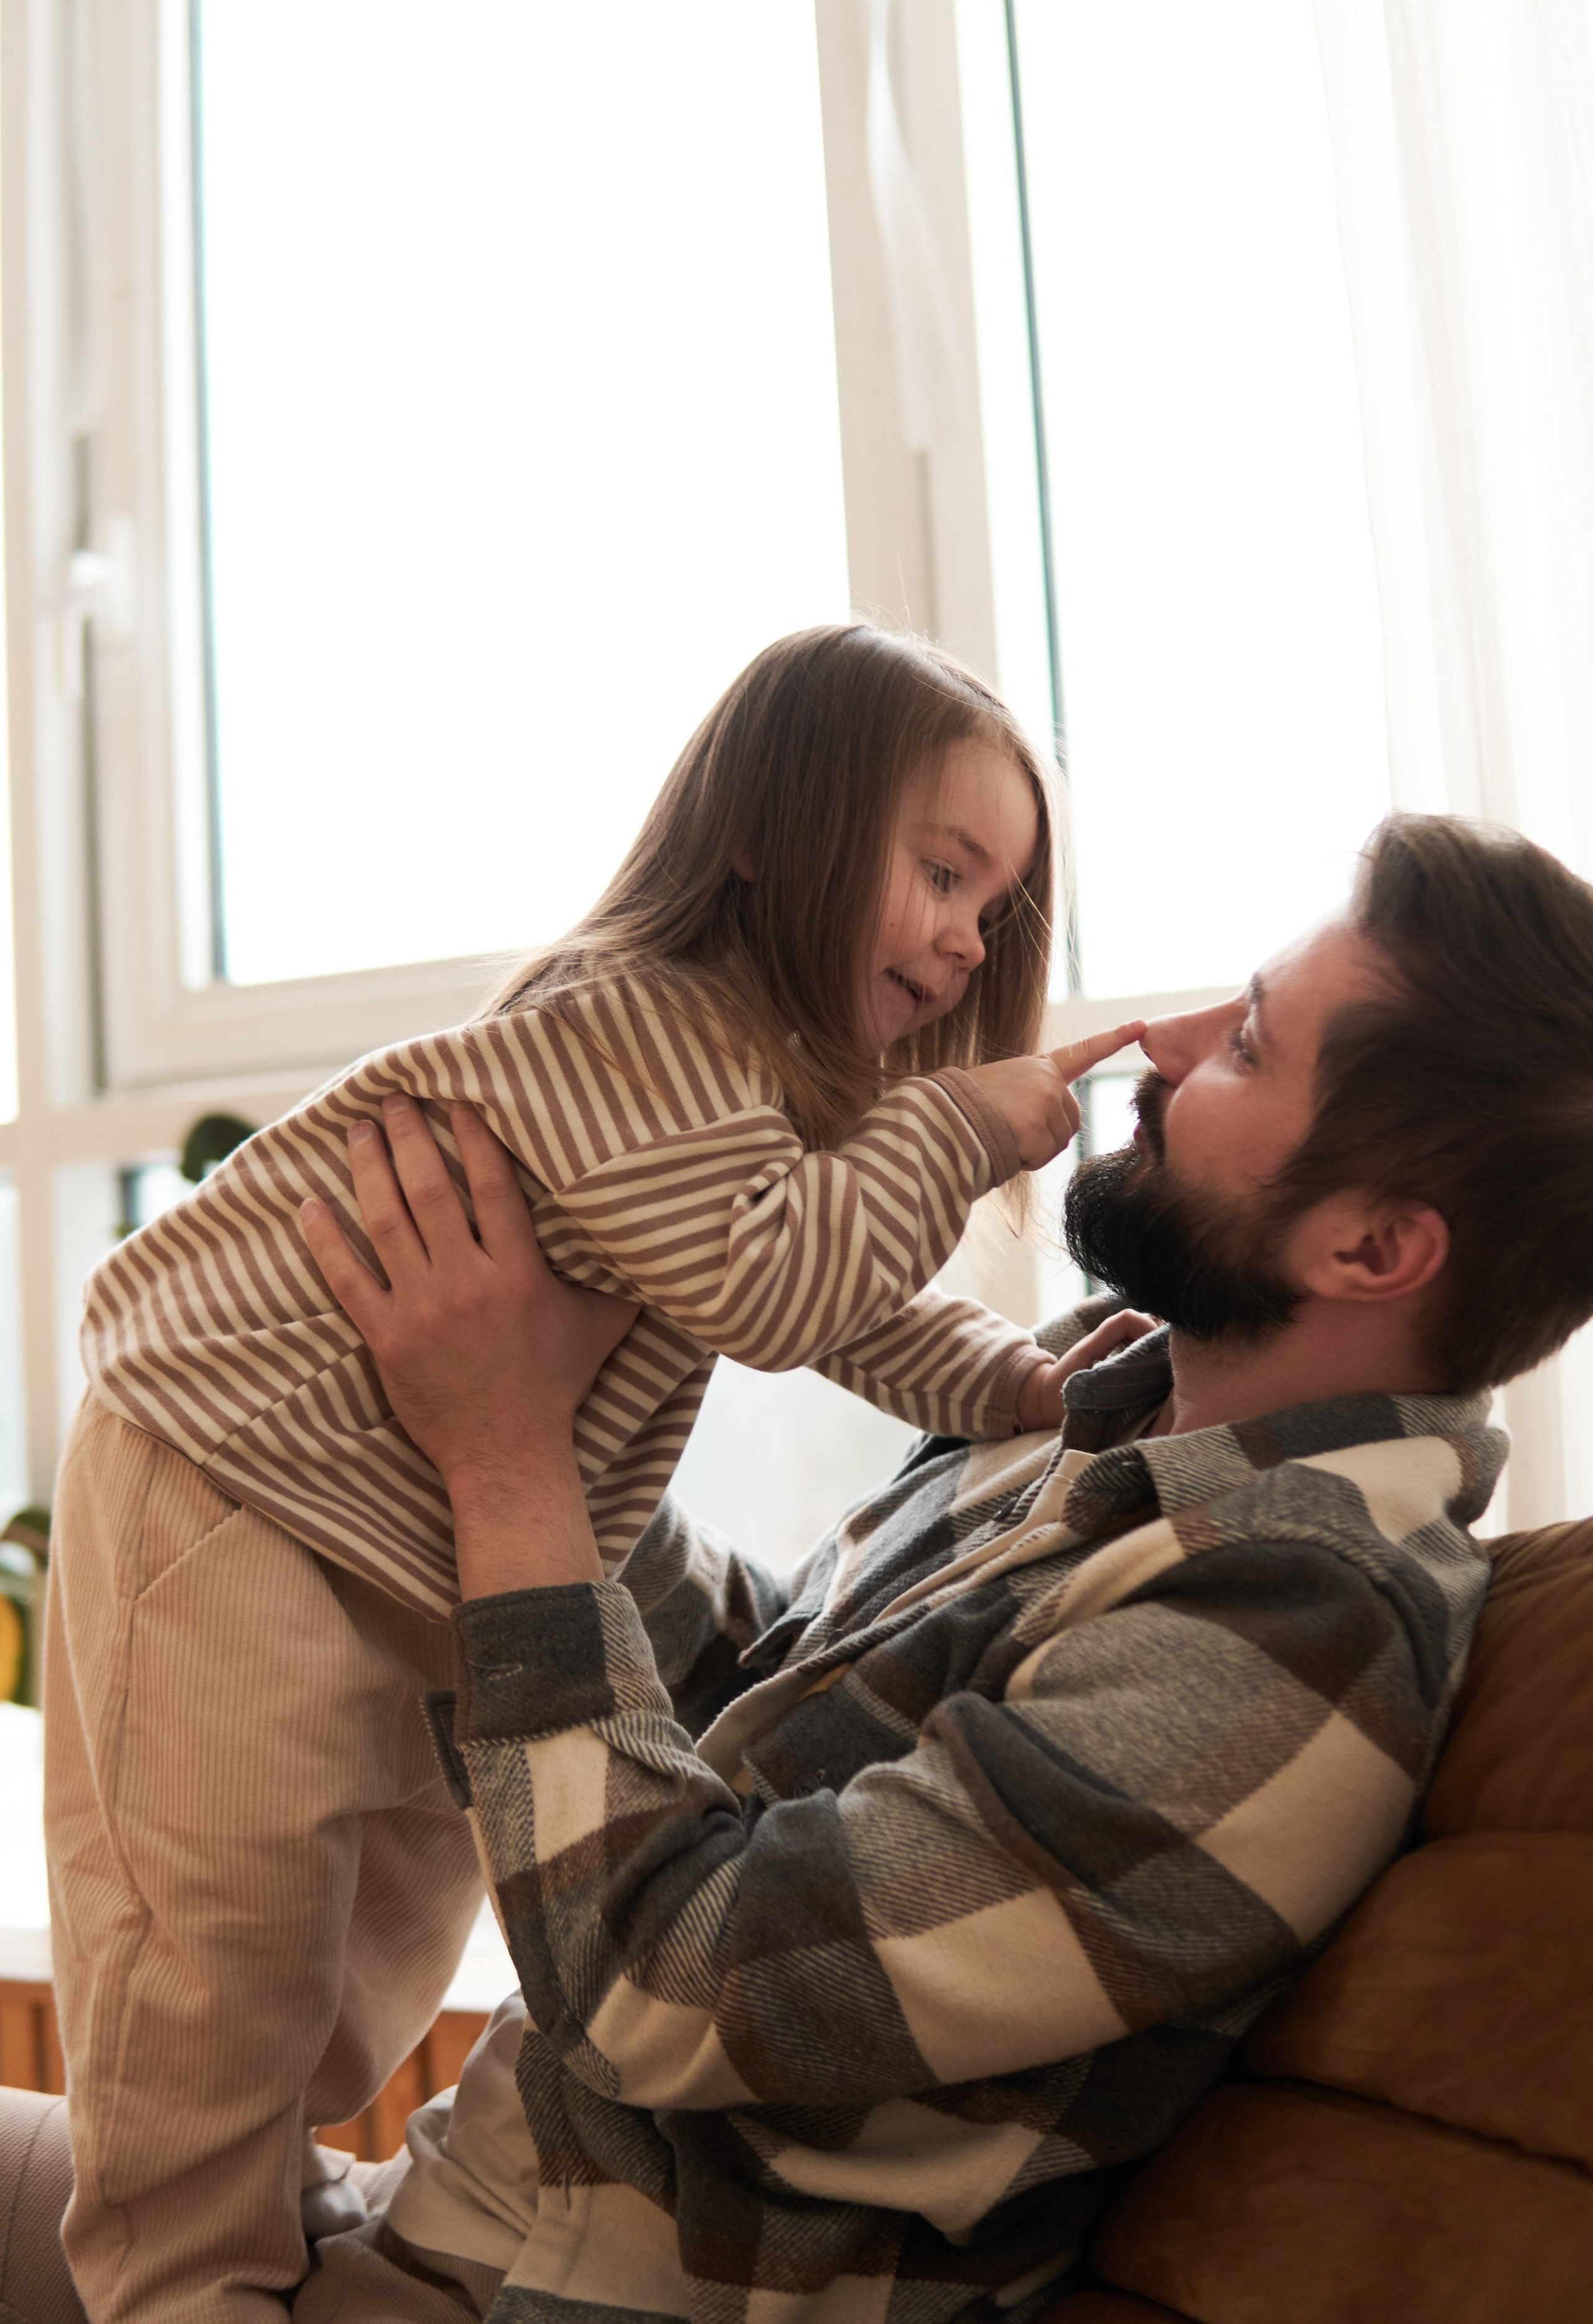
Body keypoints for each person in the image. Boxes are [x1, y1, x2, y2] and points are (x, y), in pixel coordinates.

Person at [264, 808, 1586, 2320]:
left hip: (540, 2292)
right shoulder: (1099, 1418)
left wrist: (505, 1468)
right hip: (424, 2206)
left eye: (1249, 1047)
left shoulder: (1283, 1630)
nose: (1160, 1038)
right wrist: (548, 1419)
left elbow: (670, 1982)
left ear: (1369, 1251)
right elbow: (743, 1731)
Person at [43, 624, 1144, 2322]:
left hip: (396, 1546)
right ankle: (182, 2284)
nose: (962, 937)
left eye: (994, 910)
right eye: (940, 871)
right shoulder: (641, 1028)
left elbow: (824, 1297)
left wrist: (997, 1374)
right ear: (773, 833)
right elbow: (772, 1286)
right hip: (235, 1480)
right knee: (213, 1958)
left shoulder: (755, 1092)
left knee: (356, 1976)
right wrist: (961, 1126)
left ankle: (255, 2206)